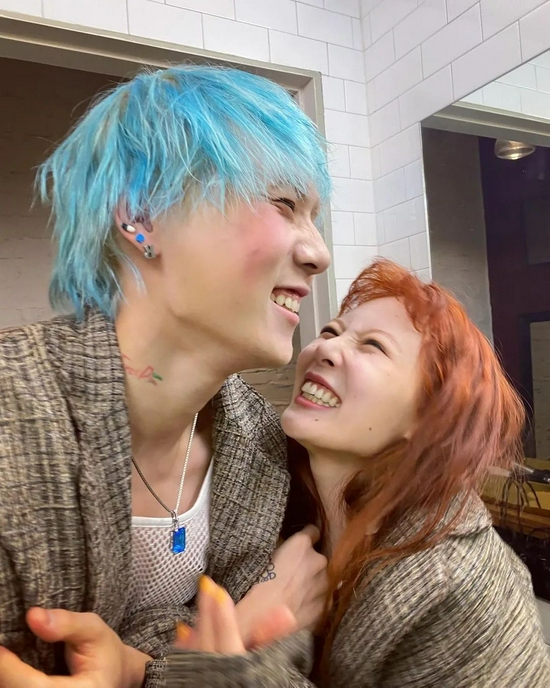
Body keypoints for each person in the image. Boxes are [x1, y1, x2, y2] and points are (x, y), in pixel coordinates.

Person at [0, 64, 331, 686]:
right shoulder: (12, 414)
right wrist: (218, 648)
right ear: (142, 217)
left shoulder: (260, 445)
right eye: (285, 204)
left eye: (315, 216)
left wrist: (153, 668)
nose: (319, 253)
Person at [165, 259, 550, 687]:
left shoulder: (456, 587)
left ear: (428, 419)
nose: (324, 349)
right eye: (331, 331)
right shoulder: (271, 495)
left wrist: (233, 670)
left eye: (373, 346)